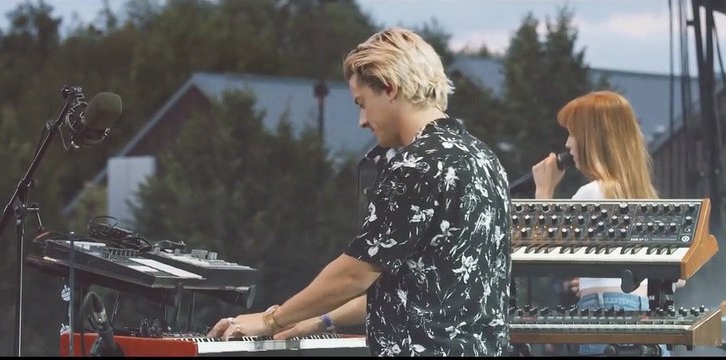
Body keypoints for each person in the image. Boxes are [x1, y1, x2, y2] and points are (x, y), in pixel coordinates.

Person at [207, 27, 513, 357]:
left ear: (390, 89)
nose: (362, 121)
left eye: (362, 103)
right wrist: (318, 320)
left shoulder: (418, 165)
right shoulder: (483, 158)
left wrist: (270, 320)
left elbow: (356, 273)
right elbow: (418, 284)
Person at [531, 90, 671, 357]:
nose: (568, 145)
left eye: (573, 134)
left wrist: (544, 191)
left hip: (605, 318)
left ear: (591, 140)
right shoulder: (643, 196)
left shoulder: (592, 193)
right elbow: (673, 278)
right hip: (647, 322)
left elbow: (542, 255)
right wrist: (593, 276)